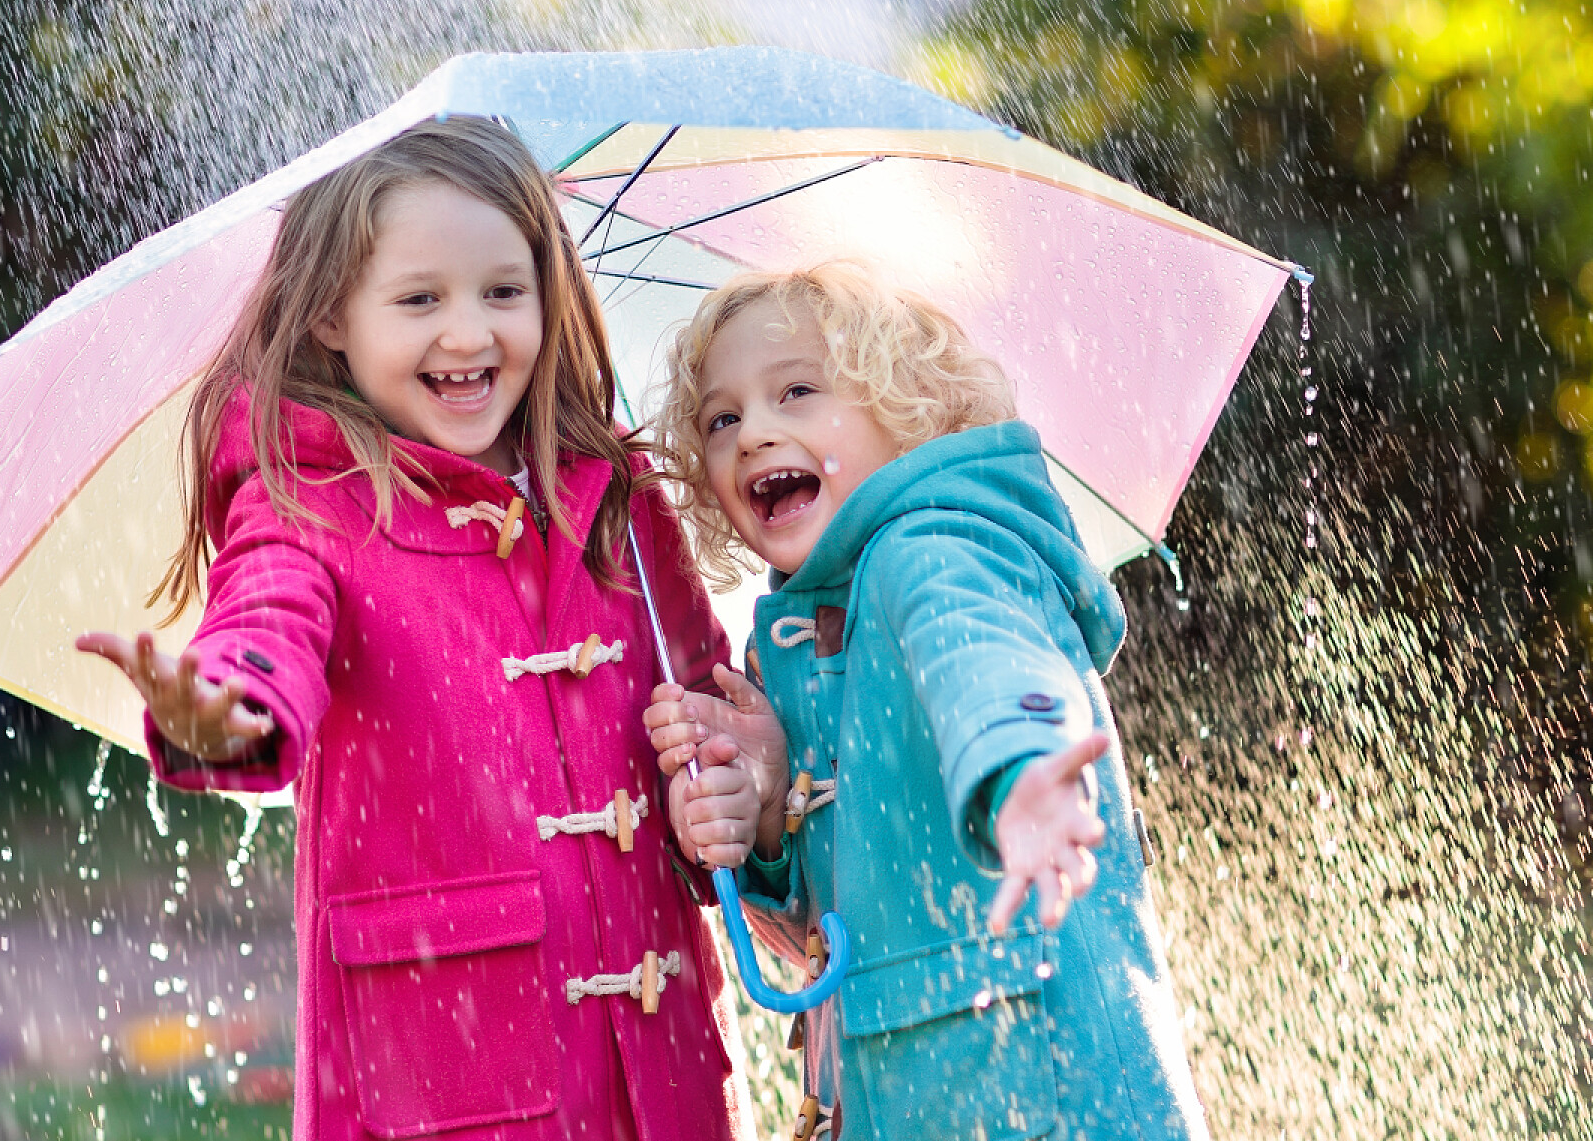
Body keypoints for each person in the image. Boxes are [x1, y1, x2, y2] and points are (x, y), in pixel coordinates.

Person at [77, 117, 738, 1141]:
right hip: (444, 1077)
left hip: (657, 1079)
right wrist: (229, 706)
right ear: (335, 315)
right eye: (420, 299)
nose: (469, 335)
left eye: (503, 292)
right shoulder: (310, 502)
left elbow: (714, 707)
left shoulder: (619, 500)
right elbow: (267, 614)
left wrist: (741, 781)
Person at [643, 264, 1208, 1139]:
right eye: (723, 418)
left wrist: (1020, 769)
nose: (754, 432)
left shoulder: (929, 551)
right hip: (919, 1098)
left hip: (1044, 1094)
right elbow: (826, 931)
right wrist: (766, 808)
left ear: (904, 408)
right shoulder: (797, 641)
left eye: (797, 391)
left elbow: (984, 656)